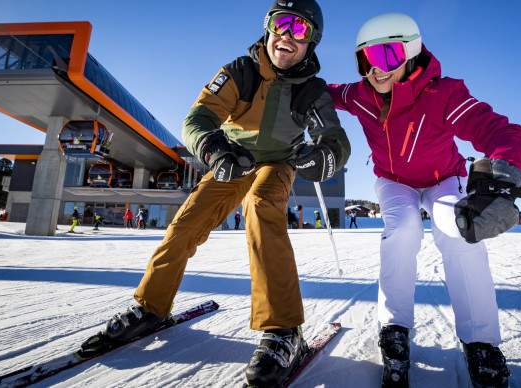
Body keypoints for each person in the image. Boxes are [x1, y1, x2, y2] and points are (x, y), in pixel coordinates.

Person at [80, 2, 350, 387]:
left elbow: (334, 138)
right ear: (267, 27)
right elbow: (199, 117)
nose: (286, 35)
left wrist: (327, 155)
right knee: (186, 223)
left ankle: (284, 329)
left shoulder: (312, 90)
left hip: (277, 164)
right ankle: (150, 306)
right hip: (235, 159)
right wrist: (211, 149)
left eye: (300, 29)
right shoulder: (240, 71)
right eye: (280, 23)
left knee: (260, 207)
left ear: (312, 42)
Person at [327, 13, 521, 387]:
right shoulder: (360, 95)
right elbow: (324, 93)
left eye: (386, 56)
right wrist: (295, 85)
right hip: (394, 182)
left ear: (411, 51)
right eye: (365, 59)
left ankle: (481, 342)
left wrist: (504, 171)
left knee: (457, 229)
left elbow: (497, 130)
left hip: (443, 179)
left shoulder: (443, 94)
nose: (376, 69)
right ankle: (394, 327)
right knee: (403, 228)